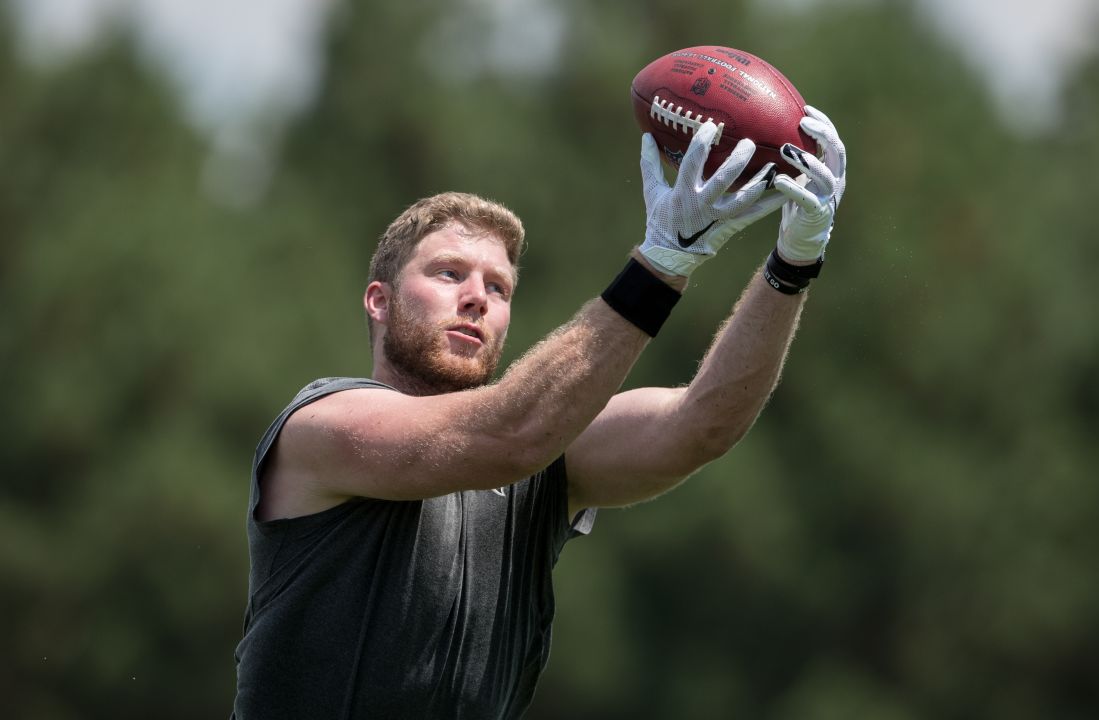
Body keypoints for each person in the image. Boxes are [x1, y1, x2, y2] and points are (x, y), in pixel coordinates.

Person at [231, 106, 846, 719]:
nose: (475, 297)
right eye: (449, 273)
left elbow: (702, 424)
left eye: (498, 287)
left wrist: (793, 263)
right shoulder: (324, 424)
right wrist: (660, 263)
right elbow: (506, 436)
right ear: (379, 302)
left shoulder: (547, 454)